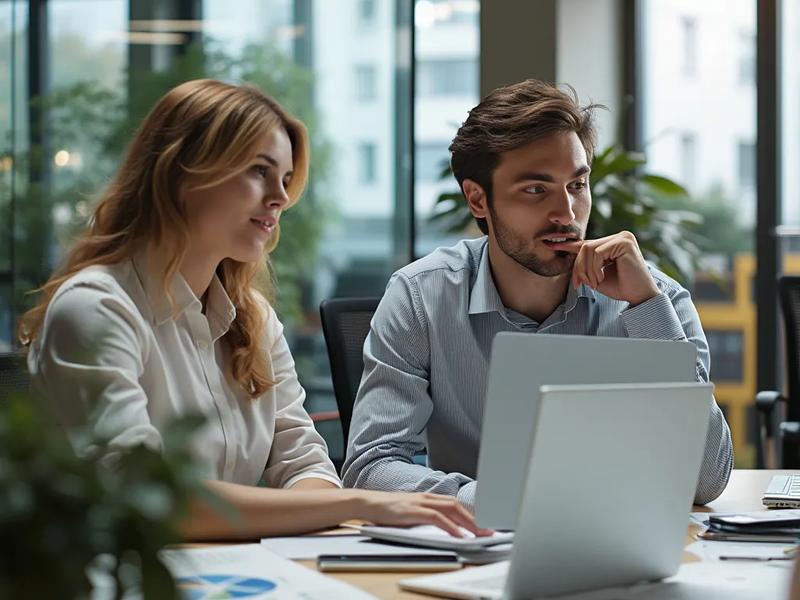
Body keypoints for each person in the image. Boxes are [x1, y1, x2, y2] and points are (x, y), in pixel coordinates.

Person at [20, 78, 489, 540]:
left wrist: (329, 499)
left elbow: (307, 465)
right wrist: (361, 502)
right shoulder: (95, 310)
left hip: (236, 575)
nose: (281, 198)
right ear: (183, 170)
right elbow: (149, 500)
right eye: (259, 171)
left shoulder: (253, 320)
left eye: (284, 179)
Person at [342, 79, 733, 509]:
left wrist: (647, 309)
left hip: (616, 548)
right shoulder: (421, 298)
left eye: (577, 186)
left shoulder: (653, 298)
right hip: (471, 552)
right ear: (478, 199)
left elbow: (706, 480)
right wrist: (490, 498)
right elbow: (370, 467)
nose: (566, 214)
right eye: (535, 190)